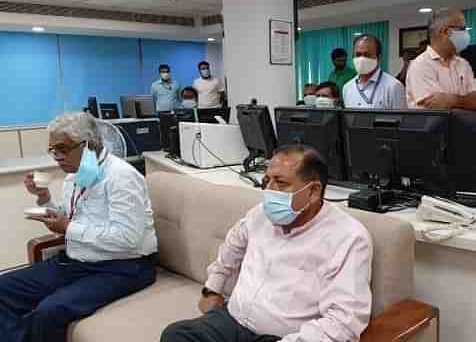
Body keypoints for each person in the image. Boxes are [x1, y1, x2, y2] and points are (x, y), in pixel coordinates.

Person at [161, 145, 373, 342]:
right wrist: (212, 289)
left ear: (313, 191)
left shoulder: (348, 237)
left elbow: (343, 321)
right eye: (267, 181)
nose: (269, 191)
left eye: (280, 183)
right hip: (232, 320)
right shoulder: (260, 214)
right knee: (175, 335)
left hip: (284, 337)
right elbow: (231, 249)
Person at [0, 112, 158, 342]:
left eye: (62, 149)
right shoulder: (76, 177)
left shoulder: (121, 177)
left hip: (124, 267)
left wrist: (68, 228)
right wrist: (44, 197)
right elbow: (66, 217)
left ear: (88, 144)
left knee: (48, 312)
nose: (56, 157)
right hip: (77, 262)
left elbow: (128, 238)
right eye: (52, 150)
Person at [406, 9, 476, 111]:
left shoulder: (463, 64)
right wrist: (465, 104)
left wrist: (452, 100)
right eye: (462, 29)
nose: (466, 33)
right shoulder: (421, 65)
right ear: (445, 32)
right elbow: (440, 112)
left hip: (465, 126)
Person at [343, 34, 406, 109]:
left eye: (367, 55)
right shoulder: (347, 88)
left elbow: (400, 119)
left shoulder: (393, 86)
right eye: (358, 54)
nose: (362, 59)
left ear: (378, 57)